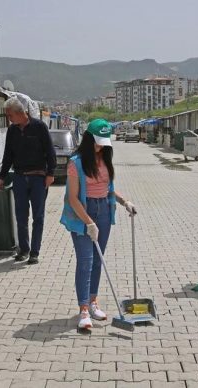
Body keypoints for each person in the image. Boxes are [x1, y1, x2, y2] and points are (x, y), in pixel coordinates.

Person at [60, 119, 137, 330]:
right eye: (97, 142)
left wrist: (124, 202)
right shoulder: (75, 163)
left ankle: (93, 301)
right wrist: (89, 223)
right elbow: (73, 198)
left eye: (104, 143)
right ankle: (83, 309)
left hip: (104, 210)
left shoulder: (104, 159)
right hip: (82, 213)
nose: (100, 146)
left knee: (97, 261)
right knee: (85, 260)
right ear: (88, 139)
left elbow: (108, 188)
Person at [0, 97, 57, 265]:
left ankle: (35, 252)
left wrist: (50, 173)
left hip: (38, 178)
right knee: (21, 216)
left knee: (38, 216)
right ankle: (24, 250)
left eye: (9, 115)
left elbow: (50, 152)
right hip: (20, 178)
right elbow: (8, 155)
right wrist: (1, 177)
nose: (9, 119)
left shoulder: (39, 127)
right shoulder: (12, 131)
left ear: (19, 112)